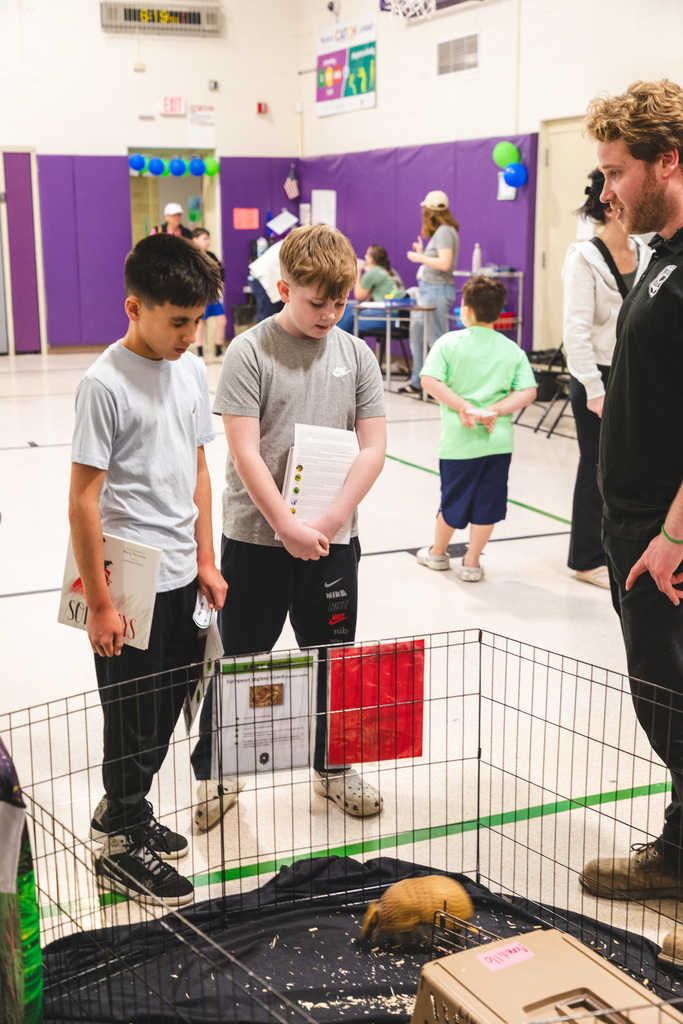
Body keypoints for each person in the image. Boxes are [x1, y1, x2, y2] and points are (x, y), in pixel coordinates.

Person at [190, 223, 387, 827]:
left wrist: (326, 522)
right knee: (243, 655)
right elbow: (244, 452)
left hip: (332, 541)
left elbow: (373, 447)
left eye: (340, 301)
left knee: (333, 655)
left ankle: (333, 768)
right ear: (283, 288)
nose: (329, 313)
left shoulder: (357, 355)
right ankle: (219, 770)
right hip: (256, 538)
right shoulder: (251, 352)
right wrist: (286, 527)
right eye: (315, 302)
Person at [68, 232, 226, 907]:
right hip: (127, 579)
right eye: (177, 321)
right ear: (135, 308)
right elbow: (83, 497)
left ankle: (121, 810)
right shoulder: (103, 383)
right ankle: (119, 848)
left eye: (197, 321)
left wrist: (208, 559)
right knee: (129, 714)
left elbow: (195, 469)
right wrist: (100, 603)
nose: (189, 335)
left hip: (183, 573)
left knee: (165, 708)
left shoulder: (188, 369)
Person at [578, 79, 683, 964]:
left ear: (668, 162)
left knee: (677, 703)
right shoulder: (658, 247)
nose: (605, 191)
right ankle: (679, 851)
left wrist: (672, 535)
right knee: (664, 699)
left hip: (666, 536)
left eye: (616, 172)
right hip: (635, 525)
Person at [562, 170, 651, 589]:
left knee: (627, 464)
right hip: (594, 375)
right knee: (595, 464)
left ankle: (624, 545)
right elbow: (575, 331)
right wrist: (595, 392)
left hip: (633, 371)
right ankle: (585, 557)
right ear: (611, 206)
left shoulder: (647, 251)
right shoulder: (583, 257)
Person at [416, 276, 536, 580]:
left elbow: (429, 380)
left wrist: (463, 407)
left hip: (458, 443)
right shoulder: (512, 350)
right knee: (488, 504)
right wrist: (494, 410)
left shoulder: (448, 343)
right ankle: (471, 562)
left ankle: (438, 553)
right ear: (498, 314)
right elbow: (528, 391)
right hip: (498, 442)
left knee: (452, 501)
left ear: (465, 310)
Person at [400, 190, 459, 395]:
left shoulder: (444, 231)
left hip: (436, 291)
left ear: (430, 211)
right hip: (427, 291)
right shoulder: (442, 232)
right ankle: (418, 381)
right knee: (416, 336)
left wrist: (419, 258)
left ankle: (440, 388)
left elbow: (444, 263)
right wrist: (423, 254)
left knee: (436, 340)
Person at [336, 244, 406, 334]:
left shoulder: (372, 273)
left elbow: (359, 297)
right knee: (350, 309)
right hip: (399, 317)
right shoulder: (392, 271)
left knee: (352, 315)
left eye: (366, 254)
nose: (365, 256)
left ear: (371, 258)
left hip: (388, 317)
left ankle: (338, 341)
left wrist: (358, 273)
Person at [191, 227, 226, 358]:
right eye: (204, 238)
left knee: (221, 320)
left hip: (213, 294)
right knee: (200, 322)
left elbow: (221, 272)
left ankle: (218, 351)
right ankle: (200, 352)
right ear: (195, 240)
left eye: (208, 238)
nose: (208, 241)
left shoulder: (211, 256)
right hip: (199, 294)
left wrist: (219, 281)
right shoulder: (192, 257)